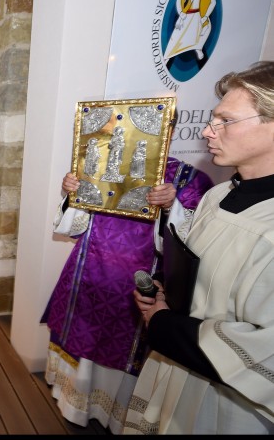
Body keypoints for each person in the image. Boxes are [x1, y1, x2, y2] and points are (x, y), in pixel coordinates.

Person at [125, 61, 274, 434]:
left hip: (230, 400)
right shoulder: (219, 194)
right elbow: (199, 264)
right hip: (181, 367)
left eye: (226, 121)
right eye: (212, 119)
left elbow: (264, 347)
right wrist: (167, 292)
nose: (208, 131)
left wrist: (162, 322)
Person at [42, 153, 214, 432]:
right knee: (84, 339)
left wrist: (173, 205)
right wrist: (72, 193)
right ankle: (75, 403)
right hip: (88, 271)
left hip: (140, 282)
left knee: (127, 351)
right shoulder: (100, 164)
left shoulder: (188, 179)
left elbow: (190, 245)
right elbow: (75, 226)